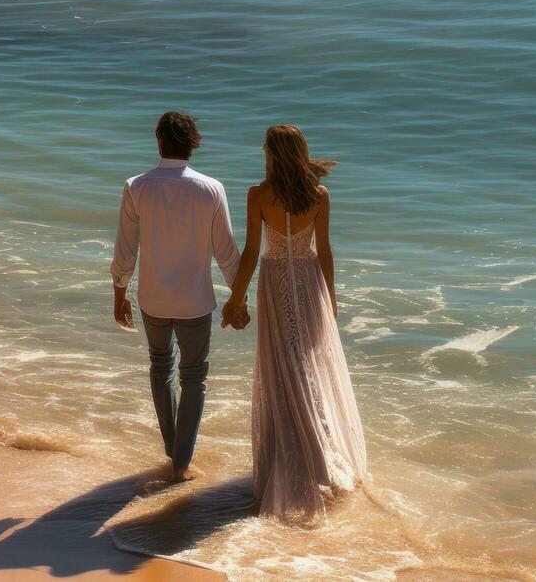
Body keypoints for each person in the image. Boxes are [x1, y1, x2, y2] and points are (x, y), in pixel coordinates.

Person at [222, 124, 367, 521]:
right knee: (308, 366)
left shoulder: (258, 195)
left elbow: (253, 250)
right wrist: (331, 297)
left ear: (271, 153)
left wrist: (236, 296)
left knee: (282, 369)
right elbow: (324, 251)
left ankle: (295, 457)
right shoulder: (319, 195)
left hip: (274, 282)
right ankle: (319, 451)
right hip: (308, 282)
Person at [110, 110, 241, 482]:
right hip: (195, 300)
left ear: (158, 139)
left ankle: (172, 449)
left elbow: (125, 249)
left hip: (153, 298)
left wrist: (119, 292)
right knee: (194, 377)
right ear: (193, 143)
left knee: (160, 366)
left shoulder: (137, 186)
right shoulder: (211, 188)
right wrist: (239, 297)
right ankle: (181, 462)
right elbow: (226, 251)